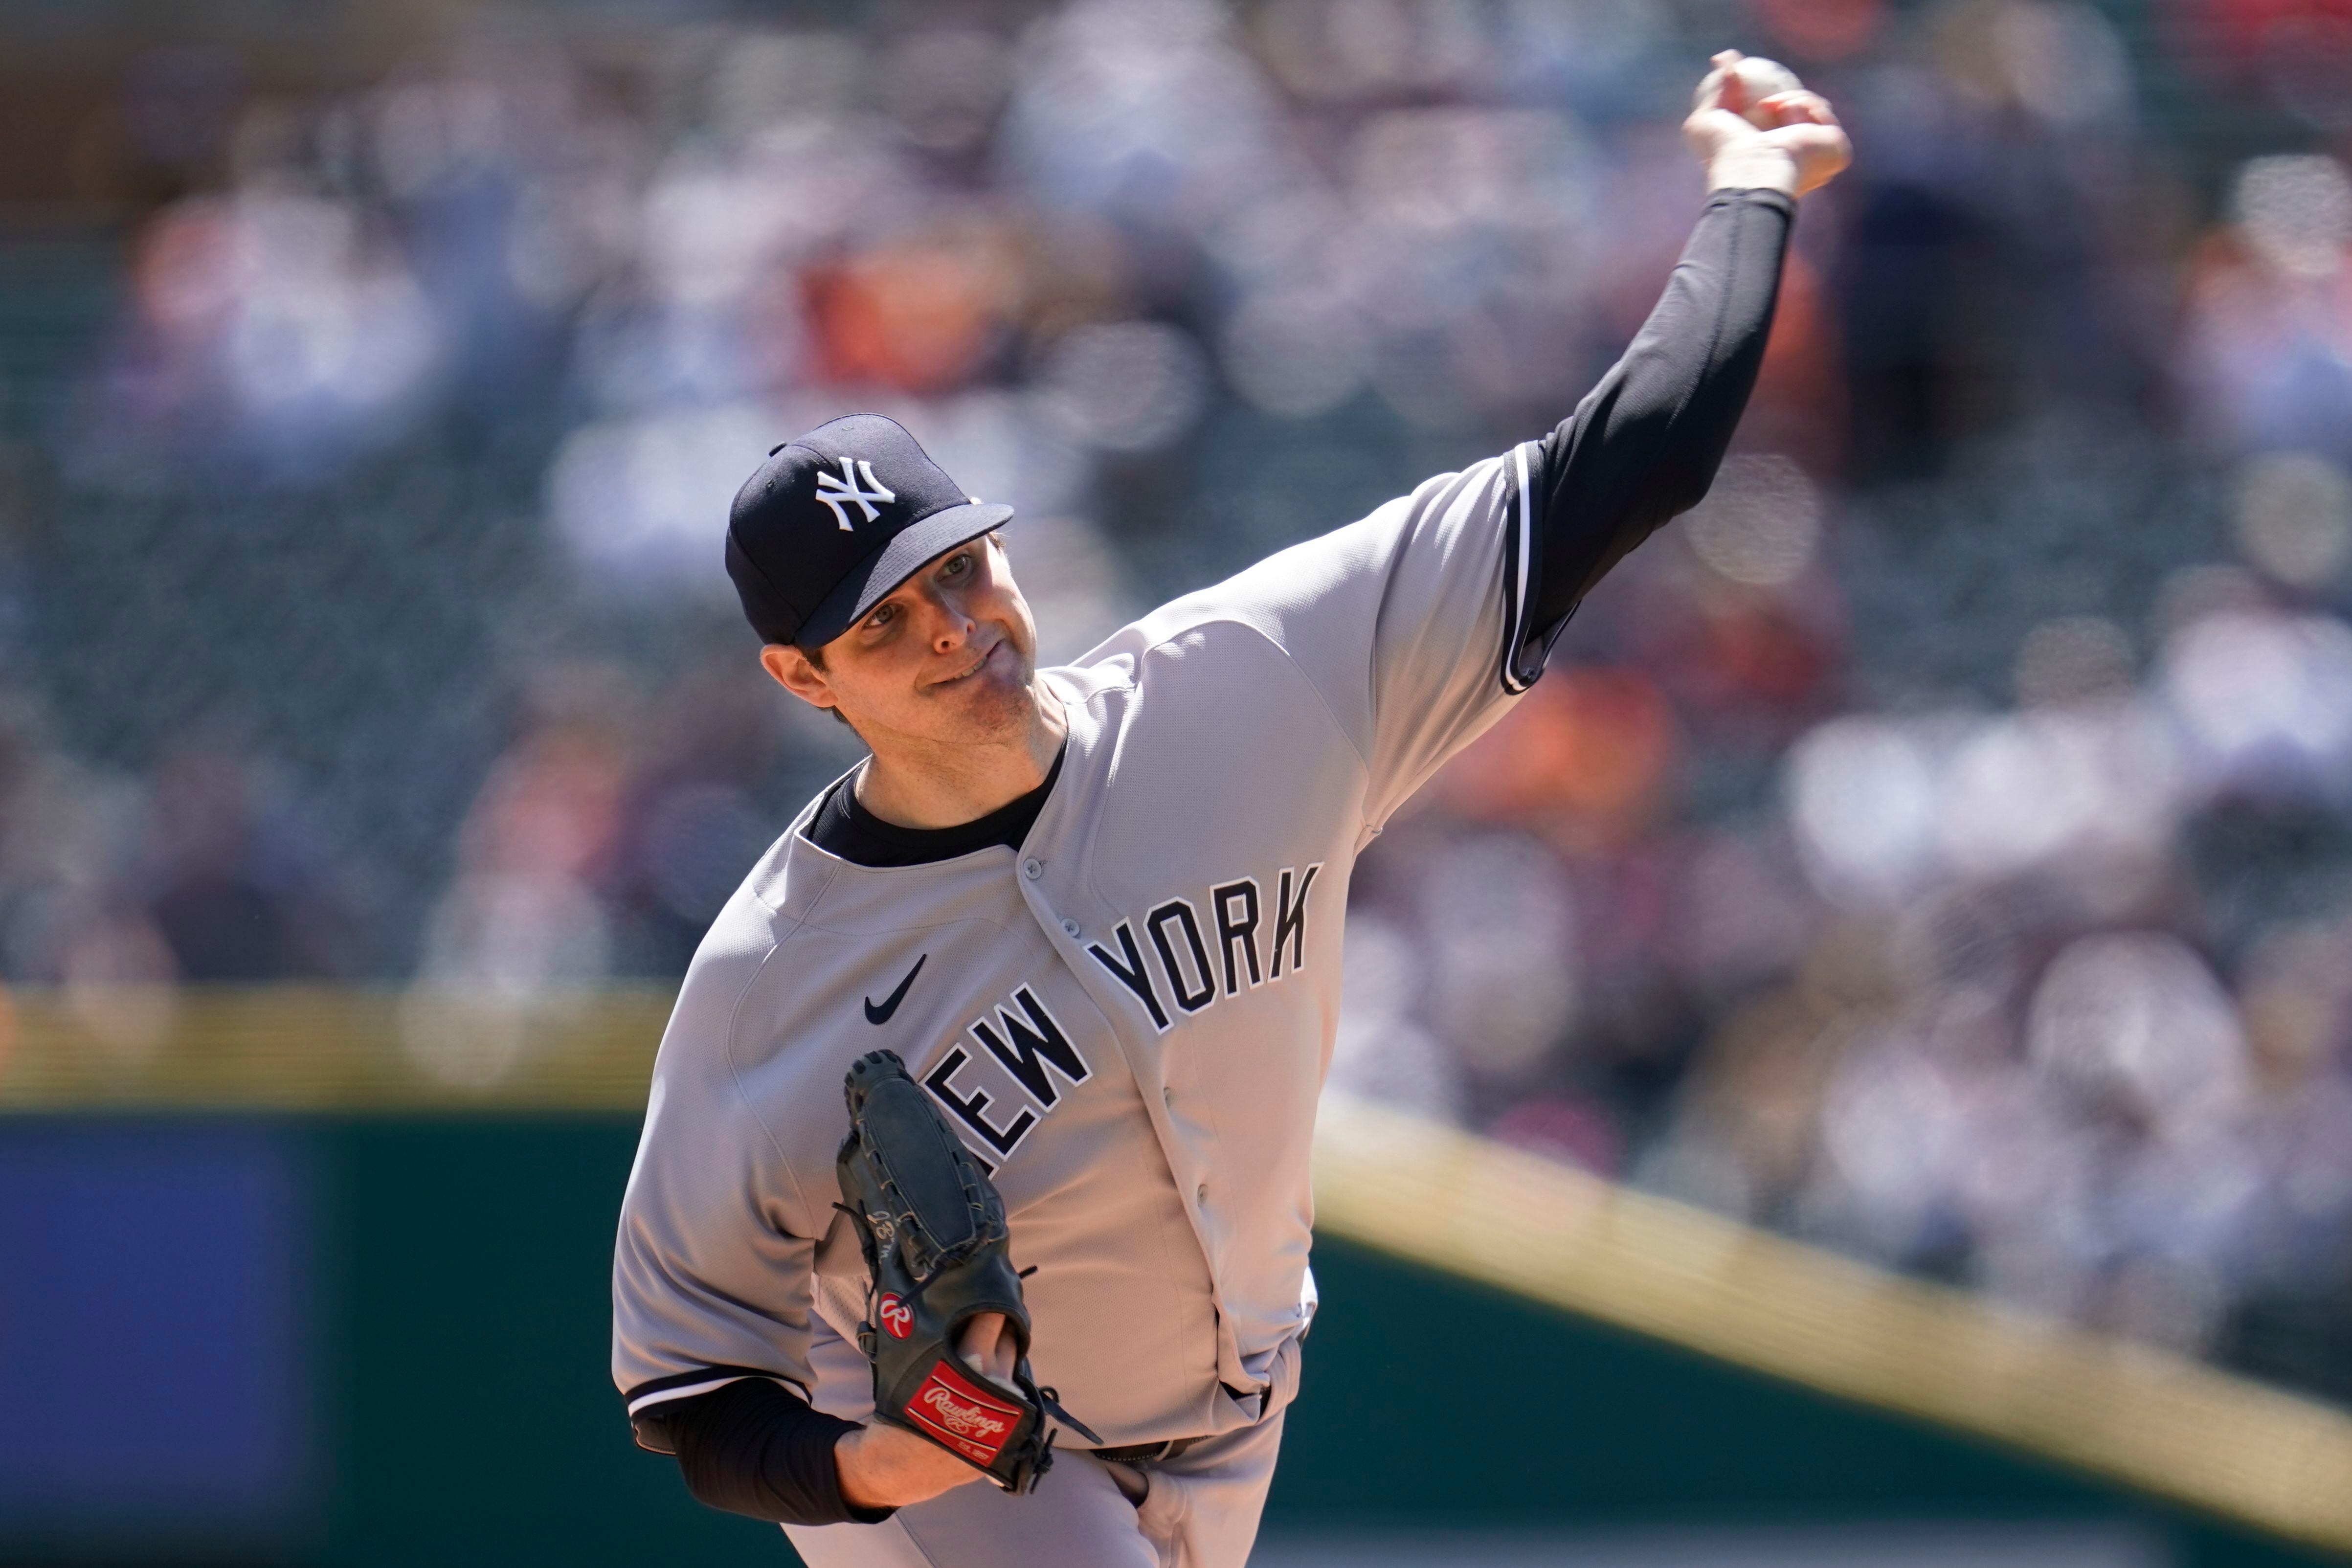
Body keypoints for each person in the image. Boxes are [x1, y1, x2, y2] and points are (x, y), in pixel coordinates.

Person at [610, 52, 1849, 1568]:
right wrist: (872, 1469)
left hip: (1231, 1421)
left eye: (960, 570)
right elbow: (693, 1389)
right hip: (966, 1479)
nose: (952, 627)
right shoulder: (768, 979)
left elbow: (1630, 463)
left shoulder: (1247, 687)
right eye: (884, 626)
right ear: (801, 677)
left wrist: (1748, 187)